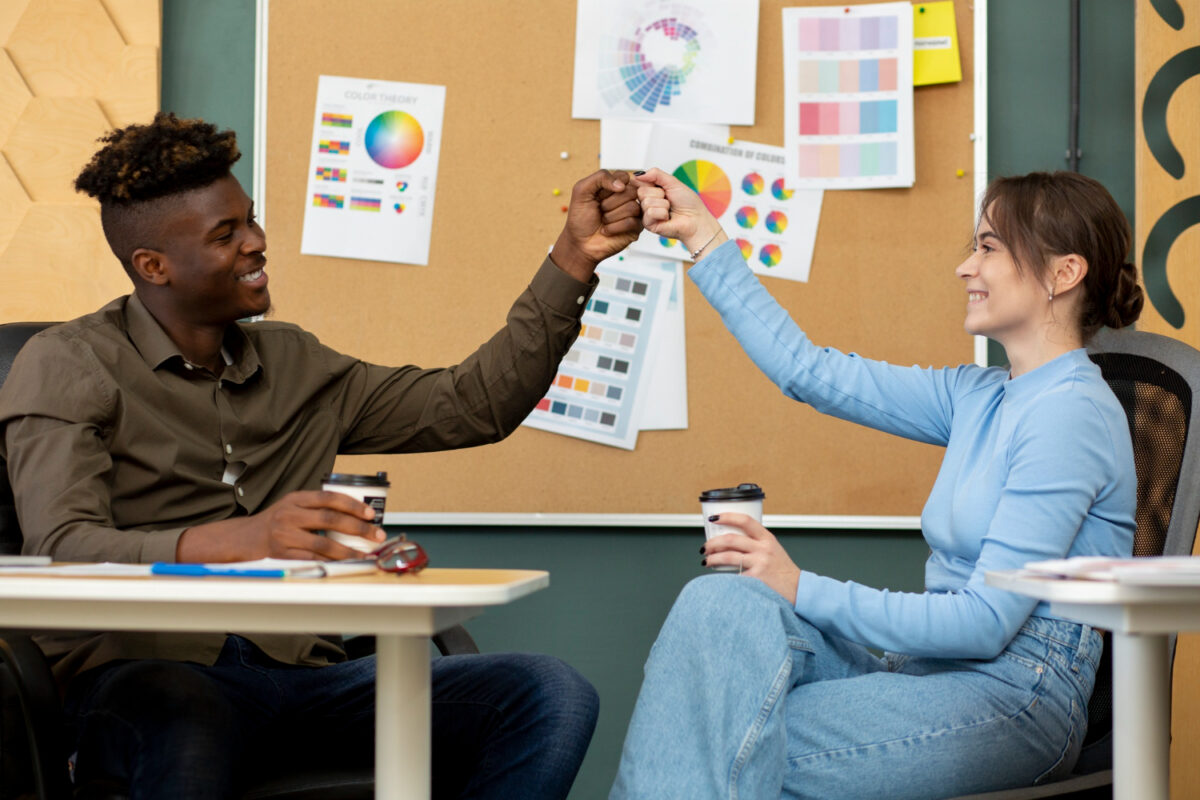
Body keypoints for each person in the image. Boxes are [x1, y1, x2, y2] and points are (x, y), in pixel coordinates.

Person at [0, 112, 643, 799]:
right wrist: (245, 538)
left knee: (548, 693)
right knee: (185, 718)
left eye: (249, 221)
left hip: (305, 680)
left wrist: (576, 257)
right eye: (226, 235)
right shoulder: (68, 363)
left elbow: (472, 405)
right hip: (152, 680)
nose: (256, 243)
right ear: (153, 266)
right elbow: (64, 545)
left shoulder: (296, 363)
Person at [610, 168, 1144, 799]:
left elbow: (985, 624)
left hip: (1016, 691)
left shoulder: (1070, 413)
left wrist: (798, 584)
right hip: (923, 670)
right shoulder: (977, 395)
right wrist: (704, 236)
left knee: (720, 737)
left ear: (1064, 274)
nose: (965, 267)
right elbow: (807, 371)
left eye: (989, 247)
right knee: (718, 602)